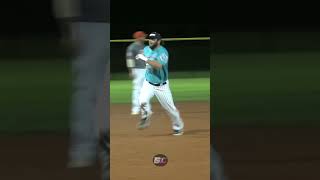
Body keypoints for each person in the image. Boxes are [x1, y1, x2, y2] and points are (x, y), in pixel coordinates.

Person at [52, 0, 110, 179]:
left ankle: (85, 154)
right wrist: (69, 27)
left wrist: (67, 27)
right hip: (90, 24)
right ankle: (85, 153)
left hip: (90, 23)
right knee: (89, 90)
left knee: (91, 90)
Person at [135, 32, 184, 135]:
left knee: (171, 109)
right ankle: (146, 115)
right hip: (148, 83)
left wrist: (145, 59)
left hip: (162, 86)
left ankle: (178, 126)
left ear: (158, 41)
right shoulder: (146, 49)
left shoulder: (163, 52)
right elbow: (144, 54)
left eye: (153, 39)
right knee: (142, 100)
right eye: (149, 39)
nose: (150, 41)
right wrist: (140, 55)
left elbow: (158, 66)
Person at [126, 31, 147, 115]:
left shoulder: (145, 47)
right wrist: (131, 71)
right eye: (143, 36)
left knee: (145, 90)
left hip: (145, 69)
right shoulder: (132, 47)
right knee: (137, 89)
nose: (145, 37)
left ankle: (144, 109)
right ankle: (135, 109)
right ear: (138, 37)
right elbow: (129, 59)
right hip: (137, 70)